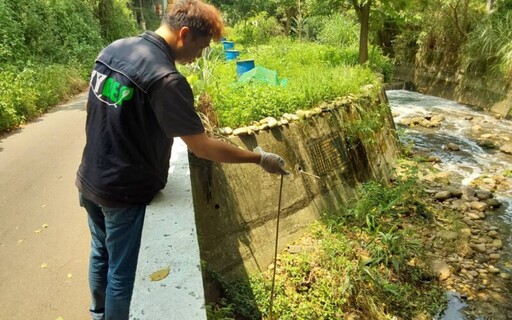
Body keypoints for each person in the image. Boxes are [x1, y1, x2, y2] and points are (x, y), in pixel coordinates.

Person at [75, 0, 288, 319]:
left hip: (89, 178)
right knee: (122, 276)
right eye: (201, 47)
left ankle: (97, 313)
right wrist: (257, 158)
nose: (199, 56)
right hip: (123, 192)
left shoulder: (115, 49)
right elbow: (202, 147)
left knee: (100, 254)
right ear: (184, 34)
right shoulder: (166, 79)